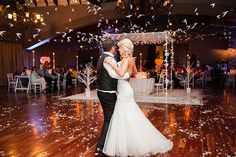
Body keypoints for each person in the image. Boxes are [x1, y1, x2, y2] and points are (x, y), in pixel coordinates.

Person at [103, 38, 173, 156]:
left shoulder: (126, 60)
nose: (119, 50)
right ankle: (131, 140)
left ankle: (128, 143)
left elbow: (120, 74)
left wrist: (111, 64)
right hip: (126, 89)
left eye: (120, 47)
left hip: (124, 91)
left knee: (124, 115)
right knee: (129, 115)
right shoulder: (131, 60)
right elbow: (135, 74)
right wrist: (128, 74)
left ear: (125, 49)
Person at [95, 39, 131, 155]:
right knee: (109, 118)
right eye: (115, 47)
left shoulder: (102, 57)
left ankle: (113, 141)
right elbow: (114, 75)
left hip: (103, 91)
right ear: (112, 48)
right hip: (107, 93)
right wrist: (127, 75)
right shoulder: (109, 59)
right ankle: (100, 147)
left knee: (112, 117)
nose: (116, 49)